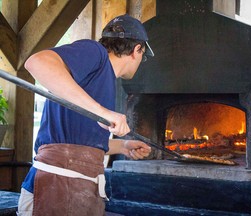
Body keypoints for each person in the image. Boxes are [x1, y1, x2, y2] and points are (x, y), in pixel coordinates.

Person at [17, 14, 154, 216]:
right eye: (142, 55)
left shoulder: (102, 78)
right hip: (56, 187)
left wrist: (123, 146)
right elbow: (37, 62)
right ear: (137, 50)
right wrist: (103, 112)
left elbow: (79, 143)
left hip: (81, 190)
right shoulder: (95, 52)